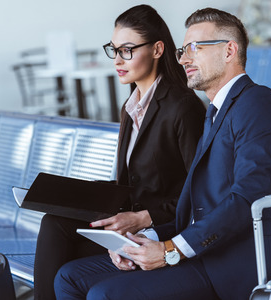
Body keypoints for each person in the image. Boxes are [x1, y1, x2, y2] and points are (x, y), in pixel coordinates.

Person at [54, 7, 271, 300]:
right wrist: (143, 241)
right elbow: (194, 209)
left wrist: (171, 250)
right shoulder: (216, 114)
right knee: (70, 278)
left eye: (195, 48)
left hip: (228, 265)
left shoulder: (257, 103)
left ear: (229, 50)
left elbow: (249, 197)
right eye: (183, 50)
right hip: (198, 254)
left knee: (104, 295)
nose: (183, 58)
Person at [33, 5, 205, 299]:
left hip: (162, 231)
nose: (117, 60)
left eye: (127, 50)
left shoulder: (182, 107)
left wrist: (143, 218)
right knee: (55, 222)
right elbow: (131, 185)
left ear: (157, 49)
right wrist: (75, 197)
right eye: (114, 50)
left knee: (66, 268)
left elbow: (200, 193)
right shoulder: (131, 107)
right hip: (128, 224)